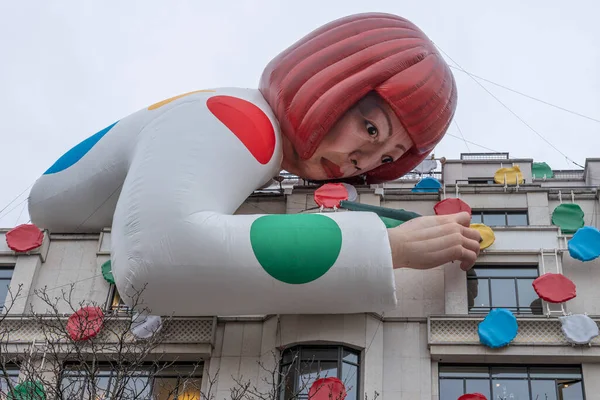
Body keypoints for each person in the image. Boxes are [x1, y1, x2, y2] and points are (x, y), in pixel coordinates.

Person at [27, 12, 480, 316]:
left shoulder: (247, 134)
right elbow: (152, 258)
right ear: (335, 82)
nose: (360, 162)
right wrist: (390, 248)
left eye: (386, 159)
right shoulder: (237, 121)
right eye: (372, 130)